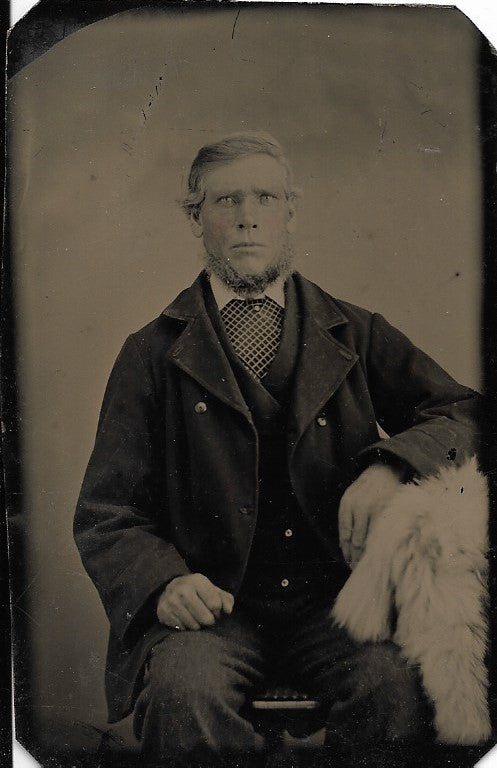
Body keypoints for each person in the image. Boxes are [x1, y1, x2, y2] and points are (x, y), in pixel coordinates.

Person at [74, 133, 479, 767]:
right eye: (225, 199)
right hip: (214, 611)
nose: (247, 215)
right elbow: (107, 512)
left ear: (291, 210)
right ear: (195, 217)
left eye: (266, 196)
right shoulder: (149, 352)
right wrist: (164, 584)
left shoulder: (355, 330)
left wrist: (390, 466)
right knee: (185, 695)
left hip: (341, 603)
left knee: (397, 685)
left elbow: (464, 414)